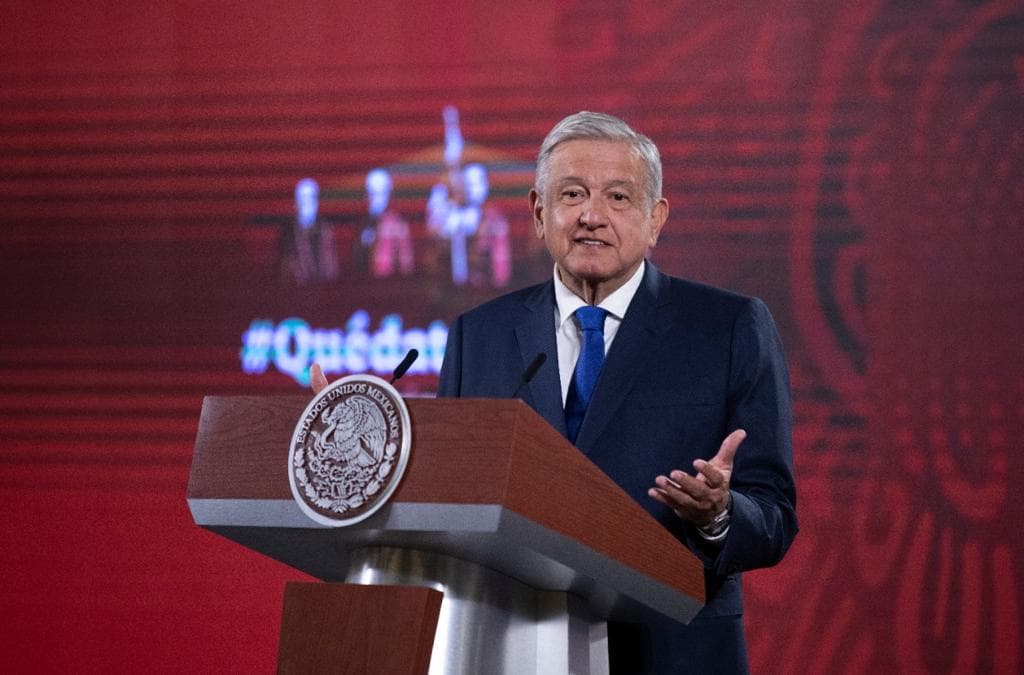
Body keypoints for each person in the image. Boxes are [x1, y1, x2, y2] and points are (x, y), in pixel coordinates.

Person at [433, 111, 798, 673]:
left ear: (656, 219)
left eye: (618, 198)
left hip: (672, 651)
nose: (591, 216)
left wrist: (719, 515)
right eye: (571, 193)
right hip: (512, 647)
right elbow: (450, 498)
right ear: (538, 212)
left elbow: (774, 516)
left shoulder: (728, 328)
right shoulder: (476, 336)